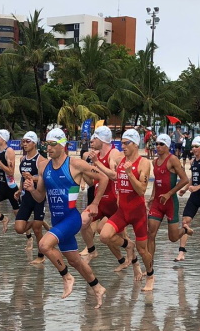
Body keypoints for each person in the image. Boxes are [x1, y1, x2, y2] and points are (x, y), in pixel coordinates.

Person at [24, 128, 107, 308]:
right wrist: (31, 189)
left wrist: (95, 203)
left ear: (63, 145)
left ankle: (67, 277)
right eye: (47, 144)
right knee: (75, 260)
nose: (49, 148)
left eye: (53, 144)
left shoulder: (75, 165)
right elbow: (40, 197)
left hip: (71, 218)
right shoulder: (44, 167)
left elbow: (104, 178)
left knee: (44, 245)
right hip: (57, 220)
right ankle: (98, 287)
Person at [100, 129, 155, 290]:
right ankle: (128, 245)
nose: (122, 146)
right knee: (104, 235)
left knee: (143, 250)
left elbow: (141, 190)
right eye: (121, 143)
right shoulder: (119, 159)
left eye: (126, 143)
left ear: (135, 144)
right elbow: (115, 177)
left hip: (138, 214)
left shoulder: (144, 163)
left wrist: (130, 174)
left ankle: (150, 275)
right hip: (122, 211)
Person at [83, 126, 136, 271]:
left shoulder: (114, 153)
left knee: (114, 235)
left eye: (95, 138)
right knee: (82, 222)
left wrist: (98, 163)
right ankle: (93, 251)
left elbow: (114, 175)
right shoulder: (96, 155)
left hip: (114, 202)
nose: (92, 141)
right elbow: (92, 183)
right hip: (99, 202)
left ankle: (136, 266)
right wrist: (83, 174)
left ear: (102, 140)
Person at [147, 133, 191, 260]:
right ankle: (150, 267)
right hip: (157, 203)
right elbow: (157, 181)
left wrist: (169, 193)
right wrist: (152, 197)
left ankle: (185, 230)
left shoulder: (173, 159)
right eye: (156, 144)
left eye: (161, 144)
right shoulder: (154, 162)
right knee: (151, 234)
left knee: (172, 238)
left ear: (167, 146)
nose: (158, 146)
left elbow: (184, 180)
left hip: (170, 202)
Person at [14, 131, 48, 264]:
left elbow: (45, 178)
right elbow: (23, 178)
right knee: (19, 228)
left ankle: (41, 255)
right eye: (23, 141)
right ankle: (39, 221)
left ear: (34, 143)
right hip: (26, 197)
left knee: (37, 230)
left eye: (28, 141)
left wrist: (33, 178)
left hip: (38, 196)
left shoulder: (41, 160)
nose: (24, 144)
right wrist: (20, 190)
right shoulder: (22, 159)